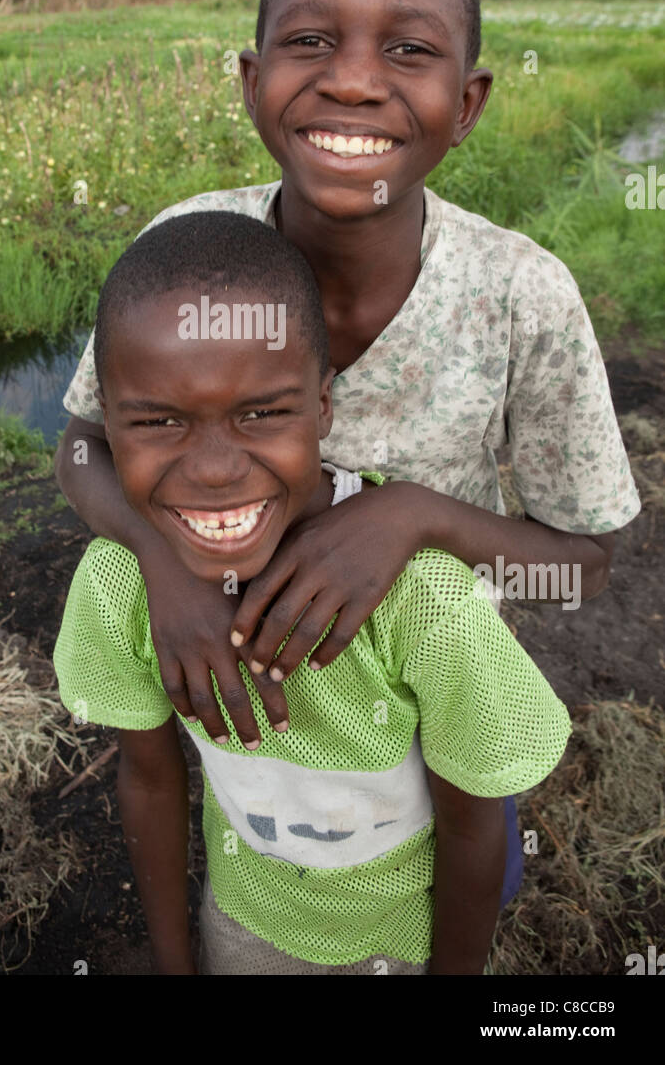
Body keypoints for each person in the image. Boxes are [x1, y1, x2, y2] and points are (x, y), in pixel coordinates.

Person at [54, 0, 640, 913]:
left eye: (407, 50)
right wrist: (164, 572)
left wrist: (411, 517)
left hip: (434, 724)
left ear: (466, 102)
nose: (353, 79)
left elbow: (577, 570)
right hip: (248, 728)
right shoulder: (188, 247)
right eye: (310, 39)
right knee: (270, 906)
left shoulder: (519, 295)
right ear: (251, 81)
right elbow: (77, 449)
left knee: (455, 906)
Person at [54, 210, 572, 975]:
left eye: (261, 414)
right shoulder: (118, 586)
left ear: (324, 406)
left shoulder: (422, 599)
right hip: (245, 924)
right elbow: (150, 776)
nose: (215, 469)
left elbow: (473, 830)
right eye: (158, 421)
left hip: (405, 937)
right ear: (112, 422)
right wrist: (175, 964)